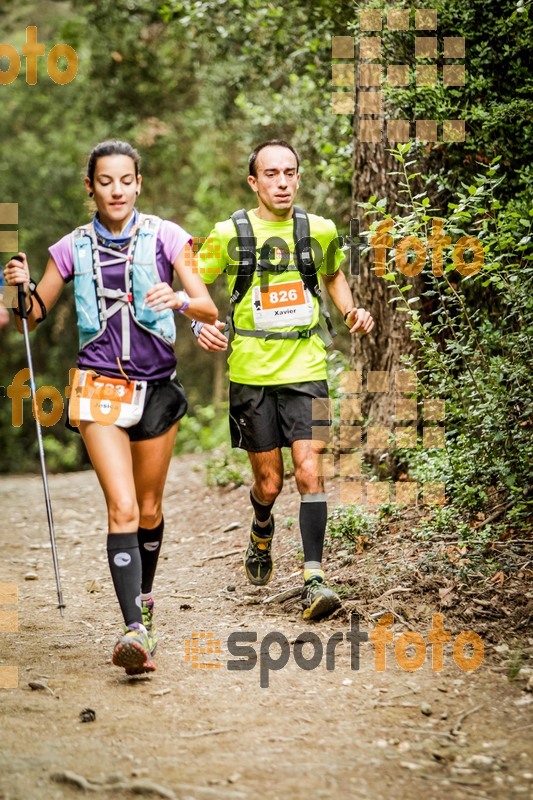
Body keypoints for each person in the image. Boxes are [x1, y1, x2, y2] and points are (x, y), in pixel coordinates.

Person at [3, 140, 218, 674]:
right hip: (98, 390)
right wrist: (19, 289)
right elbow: (31, 315)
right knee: (121, 507)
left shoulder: (171, 238)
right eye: (105, 181)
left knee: (148, 511)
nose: (116, 190)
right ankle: (133, 630)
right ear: (91, 187)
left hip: (158, 390)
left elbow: (208, 304)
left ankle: (143, 599)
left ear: (138, 183)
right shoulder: (70, 248)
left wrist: (181, 300)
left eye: (126, 180)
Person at [192, 140, 374, 621]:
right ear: (254, 182)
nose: (282, 182)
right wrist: (197, 323)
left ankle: (314, 577)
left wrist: (350, 309)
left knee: (310, 471)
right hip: (250, 374)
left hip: (308, 369)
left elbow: (333, 273)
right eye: (271, 174)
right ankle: (261, 526)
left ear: (298, 177)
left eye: (290, 172)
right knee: (269, 483)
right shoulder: (229, 233)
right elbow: (191, 280)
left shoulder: (319, 229)